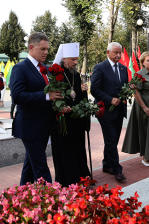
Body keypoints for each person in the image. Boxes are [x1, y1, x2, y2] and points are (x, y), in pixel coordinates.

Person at [10, 32, 63, 185]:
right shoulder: (20, 68)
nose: (46, 52)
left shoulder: (46, 69)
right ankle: (51, 199)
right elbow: (18, 96)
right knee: (41, 167)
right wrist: (47, 96)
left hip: (44, 126)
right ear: (31, 48)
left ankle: (21, 193)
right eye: (42, 49)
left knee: (30, 165)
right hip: (29, 127)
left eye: (47, 49)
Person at [50, 43, 91, 187]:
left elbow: (76, 96)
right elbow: (52, 98)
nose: (75, 62)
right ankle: (67, 181)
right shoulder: (56, 75)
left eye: (76, 59)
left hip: (76, 121)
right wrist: (61, 109)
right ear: (64, 59)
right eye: (72, 59)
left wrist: (83, 91)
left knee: (78, 150)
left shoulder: (76, 74)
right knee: (65, 154)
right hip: (63, 122)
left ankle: (81, 177)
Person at [90, 42, 128, 181]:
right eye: (115, 52)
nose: (118, 55)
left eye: (120, 52)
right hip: (104, 110)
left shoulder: (124, 69)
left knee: (113, 140)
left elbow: (124, 87)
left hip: (119, 110)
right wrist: (109, 99)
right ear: (108, 52)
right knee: (111, 139)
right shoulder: (100, 68)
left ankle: (107, 165)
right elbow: (94, 89)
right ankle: (117, 170)